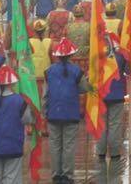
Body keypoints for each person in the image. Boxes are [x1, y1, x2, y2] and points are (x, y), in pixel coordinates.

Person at [45, 38, 89, 184]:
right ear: (71, 55)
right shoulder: (77, 71)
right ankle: (67, 175)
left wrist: (44, 112)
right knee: (68, 145)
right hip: (71, 113)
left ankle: (56, 174)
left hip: (53, 113)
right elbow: (84, 89)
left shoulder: (49, 71)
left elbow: (45, 95)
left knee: (55, 145)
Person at [0, 64, 34, 184]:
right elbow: (28, 120)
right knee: (12, 179)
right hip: (13, 146)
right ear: (12, 83)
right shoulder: (20, 101)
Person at [98, 32, 130, 164]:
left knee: (102, 125)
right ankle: (115, 152)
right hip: (117, 95)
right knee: (115, 125)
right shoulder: (120, 56)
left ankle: (100, 151)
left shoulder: (97, 57)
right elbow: (128, 71)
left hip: (101, 95)